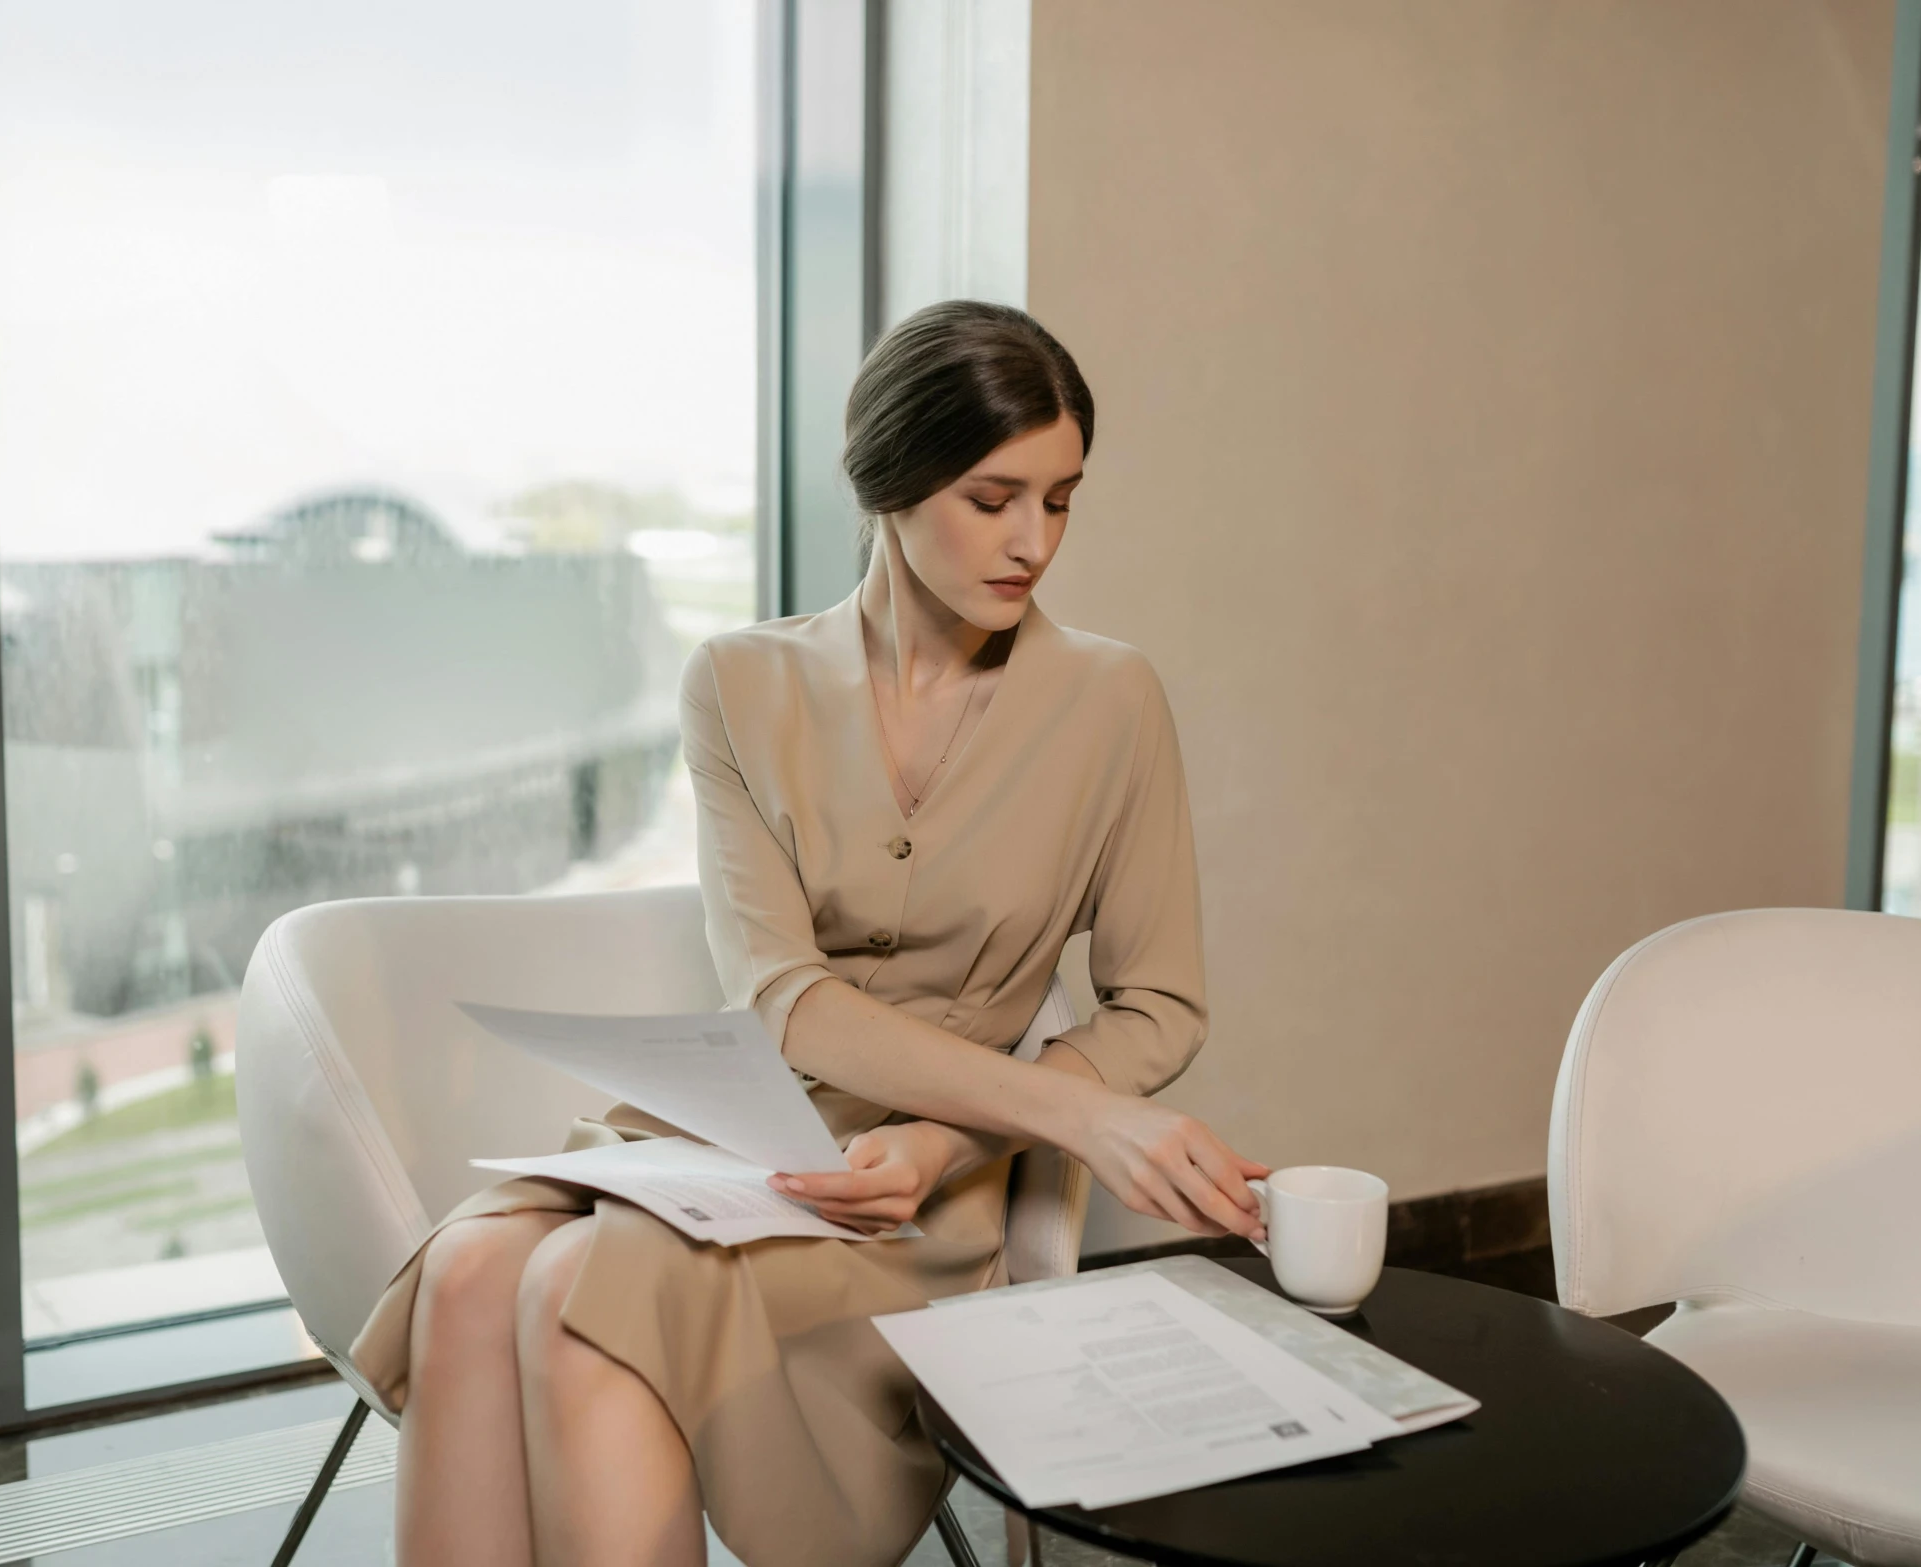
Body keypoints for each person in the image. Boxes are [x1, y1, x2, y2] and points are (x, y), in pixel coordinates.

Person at [350, 300, 1267, 1567]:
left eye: (1059, 500)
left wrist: (948, 1137)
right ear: (891, 481)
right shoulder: (737, 682)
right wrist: (1086, 1117)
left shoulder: (1112, 701)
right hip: (729, 1145)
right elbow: (787, 999)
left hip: (916, 1201)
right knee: (463, 1280)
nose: (1033, 542)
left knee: (570, 1292)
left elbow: (1157, 1004)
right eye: (993, 498)